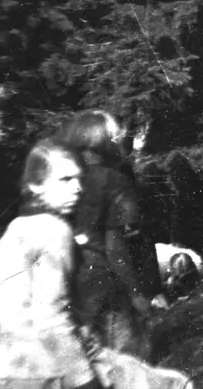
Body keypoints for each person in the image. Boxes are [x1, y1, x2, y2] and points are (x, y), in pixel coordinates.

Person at [0, 140, 203, 389]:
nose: (78, 188)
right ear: (35, 186)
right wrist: (87, 385)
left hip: (5, 382)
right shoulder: (54, 231)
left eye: (79, 179)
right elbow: (51, 321)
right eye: (65, 180)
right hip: (54, 374)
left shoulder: (12, 233)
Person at [57, 110, 165, 360]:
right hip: (103, 284)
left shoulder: (59, 177)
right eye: (115, 138)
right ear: (105, 140)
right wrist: (137, 294)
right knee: (129, 360)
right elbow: (116, 247)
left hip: (63, 280)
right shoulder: (113, 180)